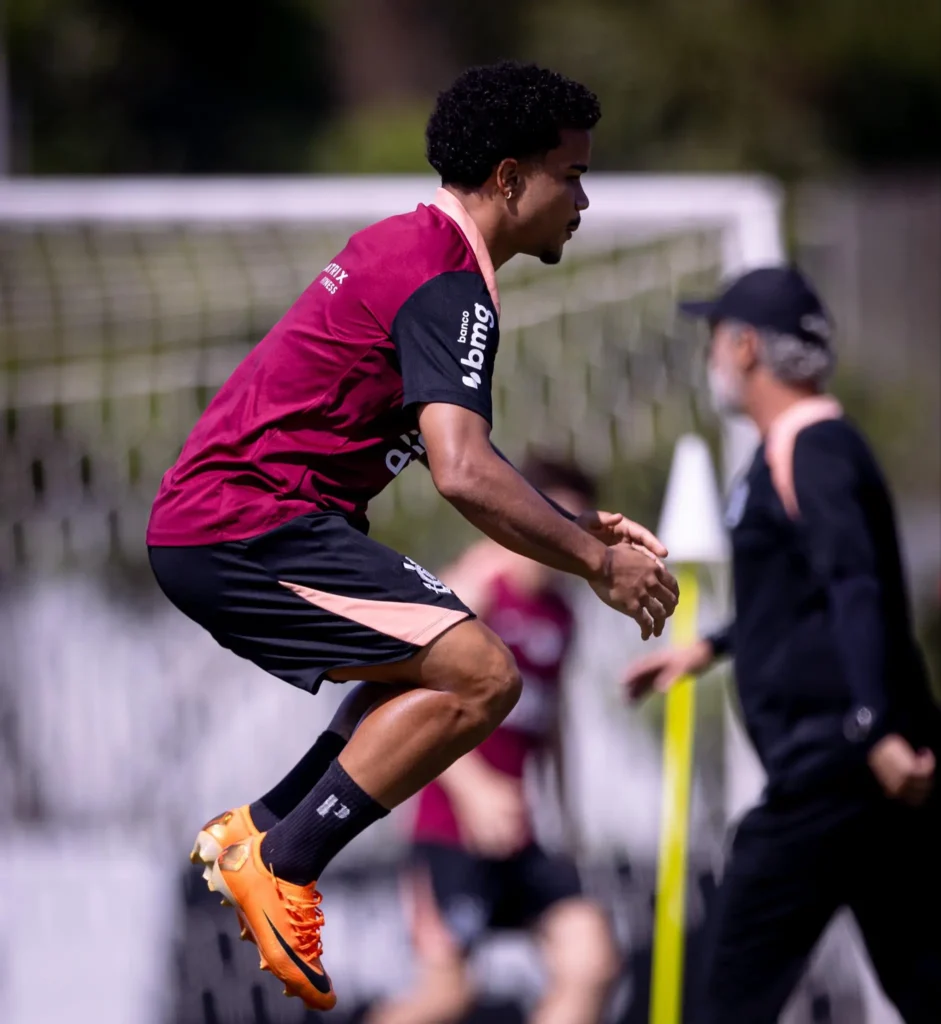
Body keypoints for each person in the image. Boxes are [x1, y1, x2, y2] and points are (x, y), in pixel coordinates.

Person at [146, 61, 679, 1012]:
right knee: (484, 674)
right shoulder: (447, 281)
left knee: (426, 667)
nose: (584, 200)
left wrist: (567, 523)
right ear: (509, 178)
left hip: (238, 522)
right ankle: (282, 861)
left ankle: (257, 833)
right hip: (243, 527)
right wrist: (597, 563)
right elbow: (461, 470)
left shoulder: (415, 249)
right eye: (571, 176)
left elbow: (461, 451)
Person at [624, 266, 941, 1024]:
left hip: (831, 768)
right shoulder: (791, 452)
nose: (710, 359)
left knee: (725, 993)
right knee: (926, 983)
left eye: (714, 341)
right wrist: (708, 648)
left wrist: (873, 728)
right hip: (857, 769)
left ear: (743, 349)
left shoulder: (811, 449)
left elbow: (855, 585)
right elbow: (799, 597)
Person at [369, 454, 619, 1024]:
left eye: (574, 525)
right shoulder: (474, 589)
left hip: (517, 835)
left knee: (591, 961)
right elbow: (407, 705)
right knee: (448, 994)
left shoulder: (561, 614)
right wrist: (474, 788)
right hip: (448, 832)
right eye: (551, 519)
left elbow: (553, 722)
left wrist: (566, 816)